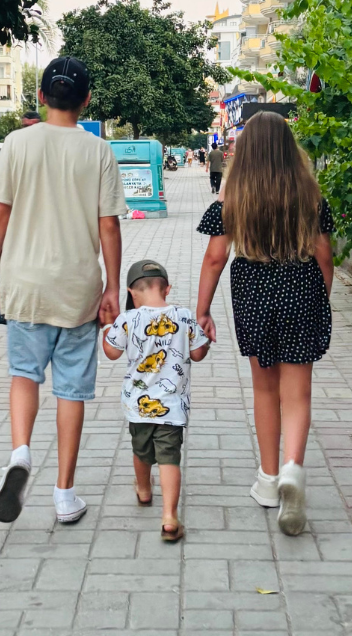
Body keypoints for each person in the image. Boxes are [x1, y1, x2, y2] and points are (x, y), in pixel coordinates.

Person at [0, 56, 127, 525]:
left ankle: (21, 452)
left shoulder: (16, 143)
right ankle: (65, 494)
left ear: (42, 97)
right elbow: (109, 227)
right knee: (71, 392)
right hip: (78, 288)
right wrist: (111, 286)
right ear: (86, 100)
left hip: (24, 284)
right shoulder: (98, 152)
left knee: (24, 374)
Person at [195, 112, 334, 536]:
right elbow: (324, 256)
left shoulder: (231, 200)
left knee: (264, 390)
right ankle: (294, 467)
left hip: (254, 291)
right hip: (301, 286)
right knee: (298, 394)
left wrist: (202, 311)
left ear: (247, 152)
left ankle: (269, 481)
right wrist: (321, 298)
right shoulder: (309, 197)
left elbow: (215, 258)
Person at [103, 260, 209, 541]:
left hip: (137, 406)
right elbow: (198, 354)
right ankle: (170, 517)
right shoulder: (185, 317)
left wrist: (106, 333)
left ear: (132, 292)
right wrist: (204, 340)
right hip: (172, 408)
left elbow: (111, 353)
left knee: (141, 451)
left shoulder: (127, 319)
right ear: (167, 288)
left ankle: (144, 491)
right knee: (169, 458)